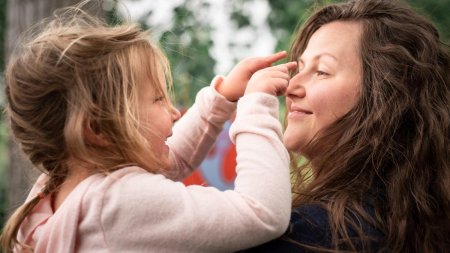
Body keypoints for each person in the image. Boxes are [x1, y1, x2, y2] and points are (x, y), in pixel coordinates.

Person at [0, 5, 298, 253]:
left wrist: (221, 99)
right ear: (98, 129)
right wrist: (257, 104)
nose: (172, 111)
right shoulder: (114, 203)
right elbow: (261, 212)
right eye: (157, 99)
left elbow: (169, 162)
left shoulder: (51, 194)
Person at [240, 0, 450, 252]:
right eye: (301, 68)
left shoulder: (315, 234)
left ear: (385, 98)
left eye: (322, 72)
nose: (291, 87)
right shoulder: (417, 219)